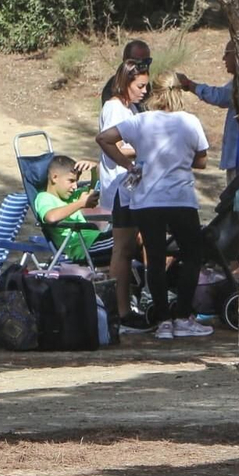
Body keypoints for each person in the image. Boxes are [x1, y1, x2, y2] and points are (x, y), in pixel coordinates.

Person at [97, 76, 213, 340]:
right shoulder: (189, 121)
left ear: (154, 93)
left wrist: (128, 164)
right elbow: (202, 160)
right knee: (192, 255)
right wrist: (178, 158)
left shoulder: (140, 121)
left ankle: (163, 321)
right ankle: (182, 316)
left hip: (147, 200)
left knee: (155, 258)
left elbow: (104, 138)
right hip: (180, 198)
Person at [99, 63, 150, 330]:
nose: (144, 91)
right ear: (125, 82)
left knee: (132, 246)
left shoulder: (131, 108)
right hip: (121, 186)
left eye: (146, 86)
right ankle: (120, 311)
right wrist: (146, 147)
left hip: (134, 186)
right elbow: (114, 144)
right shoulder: (114, 108)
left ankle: (130, 303)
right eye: (139, 86)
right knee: (123, 248)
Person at [177, 41, 239, 184]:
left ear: (238, 55)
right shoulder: (238, 82)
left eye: (227, 54)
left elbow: (219, 96)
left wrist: (189, 85)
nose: (223, 59)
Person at [34, 156, 109, 264]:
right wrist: (80, 203)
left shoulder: (71, 197)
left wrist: (95, 169)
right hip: (84, 248)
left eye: (76, 181)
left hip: (95, 241)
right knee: (128, 241)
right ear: (54, 177)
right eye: (71, 181)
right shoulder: (44, 197)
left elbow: (92, 194)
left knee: (131, 236)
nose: (75, 186)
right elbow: (51, 217)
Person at [100, 40, 151, 109]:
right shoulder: (112, 90)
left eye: (147, 61)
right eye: (136, 62)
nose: (142, 66)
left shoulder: (146, 86)